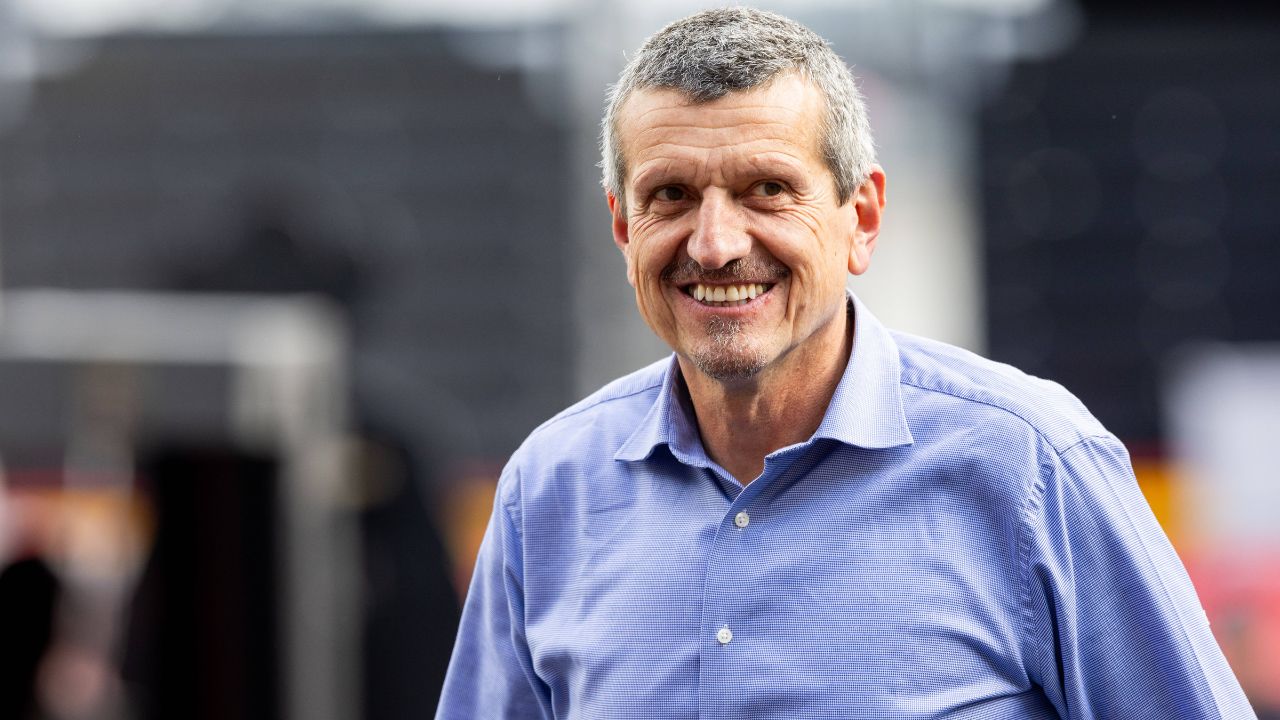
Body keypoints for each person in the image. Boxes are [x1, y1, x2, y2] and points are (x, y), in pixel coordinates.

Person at [437, 7, 1255, 719]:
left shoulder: (1032, 467)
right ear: (623, 229)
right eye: (671, 197)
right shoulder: (547, 492)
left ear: (861, 218)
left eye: (766, 190)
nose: (716, 245)